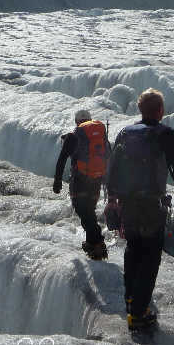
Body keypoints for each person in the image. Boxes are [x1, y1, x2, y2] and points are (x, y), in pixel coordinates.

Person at [105, 89, 174, 332]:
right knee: (151, 256)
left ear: (140, 110)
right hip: (152, 204)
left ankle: (131, 300)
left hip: (128, 203)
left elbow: (113, 168)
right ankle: (138, 313)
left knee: (133, 249)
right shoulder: (167, 134)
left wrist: (112, 199)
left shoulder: (125, 133)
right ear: (160, 111)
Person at [52, 109, 110, 260]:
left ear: (76, 122)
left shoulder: (73, 136)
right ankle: (92, 244)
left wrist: (57, 181)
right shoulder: (101, 135)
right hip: (96, 180)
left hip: (80, 180)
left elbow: (62, 159)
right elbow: (108, 157)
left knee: (83, 211)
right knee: (89, 211)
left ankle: (97, 244)